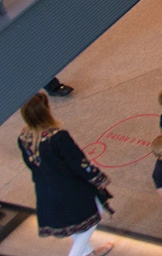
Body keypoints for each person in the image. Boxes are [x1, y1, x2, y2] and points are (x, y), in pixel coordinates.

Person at [15, 93, 112, 256]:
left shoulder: (24, 138)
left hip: (46, 190)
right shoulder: (58, 137)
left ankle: (89, 254)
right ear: (46, 111)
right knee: (96, 212)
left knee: (73, 224)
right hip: (70, 190)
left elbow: (31, 165)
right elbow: (79, 163)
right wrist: (99, 178)